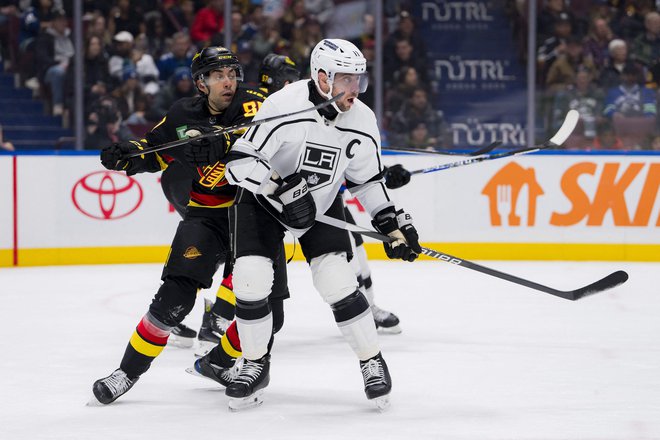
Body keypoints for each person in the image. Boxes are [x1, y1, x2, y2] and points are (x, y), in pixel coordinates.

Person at [220, 39, 422, 410]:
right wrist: (279, 189)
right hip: (263, 204)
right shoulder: (282, 105)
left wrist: (390, 221)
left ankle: (371, 360)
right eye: (346, 79)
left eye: (358, 80)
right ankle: (253, 363)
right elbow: (239, 163)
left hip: (321, 207)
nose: (354, 90)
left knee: (338, 282)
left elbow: (368, 181)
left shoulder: (362, 119)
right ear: (322, 76)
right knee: (251, 278)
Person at [90, 46, 290, 405]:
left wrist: (226, 141)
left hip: (256, 214)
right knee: (173, 300)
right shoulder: (183, 115)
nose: (228, 81)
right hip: (208, 215)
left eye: (232, 74)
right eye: (218, 76)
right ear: (201, 83)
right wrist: (127, 156)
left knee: (270, 317)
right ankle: (126, 372)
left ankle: (220, 360)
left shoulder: (257, 104)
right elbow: (154, 150)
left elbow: (284, 143)